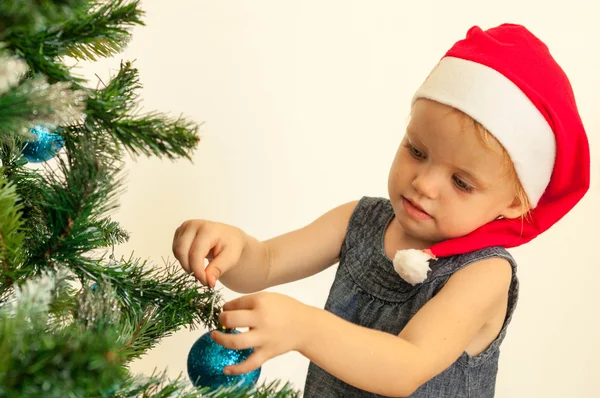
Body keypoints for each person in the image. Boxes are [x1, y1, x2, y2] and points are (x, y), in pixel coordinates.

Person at [172, 23, 590, 397]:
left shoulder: (484, 274)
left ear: (514, 204)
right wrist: (233, 248)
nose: (424, 184)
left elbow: (406, 366)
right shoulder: (360, 221)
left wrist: (303, 327)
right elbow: (264, 263)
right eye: (417, 150)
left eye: (461, 182)